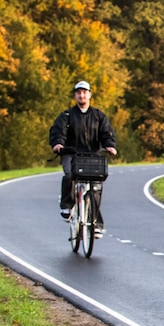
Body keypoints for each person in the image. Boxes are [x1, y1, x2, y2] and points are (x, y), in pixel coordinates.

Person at [49, 80, 117, 235]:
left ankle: (96, 223)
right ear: (75, 96)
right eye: (79, 93)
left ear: (90, 95)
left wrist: (110, 146)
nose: (82, 95)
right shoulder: (67, 116)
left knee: (95, 187)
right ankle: (67, 206)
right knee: (69, 175)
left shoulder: (98, 116)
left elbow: (107, 133)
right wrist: (58, 144)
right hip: (71, 154)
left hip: (92, 156)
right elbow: (58, 132)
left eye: (84, 92)